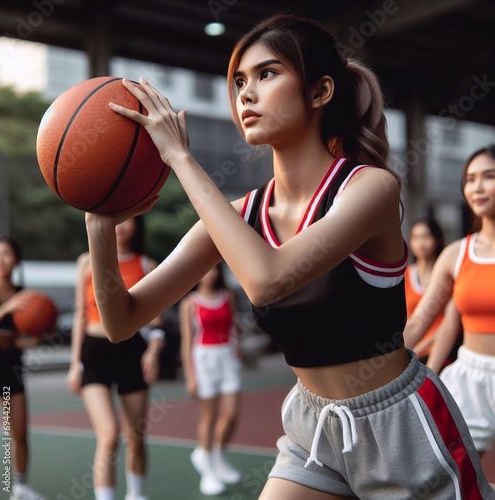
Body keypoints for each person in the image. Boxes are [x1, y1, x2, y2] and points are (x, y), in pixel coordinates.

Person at [84, 14, 494, 498]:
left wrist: (179, 158)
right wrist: (100, 224)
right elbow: (121, 320)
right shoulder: (242, 214)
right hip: (312, 426)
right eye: (238, 80)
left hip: (399, 426)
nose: (245, 93)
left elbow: (268, 279)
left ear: (320, 92)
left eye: (267, 74)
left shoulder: (371, 188)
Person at [405, 144, 495, 462]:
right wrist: (370, 363)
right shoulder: (457, 254)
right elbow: (420, 321)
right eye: (470, 179)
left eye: (488, 177)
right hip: (471, 379)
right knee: (453, 475)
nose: (478, 186)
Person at [66, 216, 165, 500]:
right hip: (93, 350)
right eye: (117, 219)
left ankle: (136, 495)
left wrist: (153, 352)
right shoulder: (86, 261)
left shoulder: (146, 265)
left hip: (131, 350)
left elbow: (157, 323)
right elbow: (80, 314)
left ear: (137, 225)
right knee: (108, 435)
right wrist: (75, 364)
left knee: (136, 437)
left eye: (129, 220)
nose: (122, 225)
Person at [179, 263, 242, 495]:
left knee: (232, 414)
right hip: (204, 359)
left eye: (215, 269)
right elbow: (187, 341)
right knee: (209, 417)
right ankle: (207, 470)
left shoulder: (228, 296)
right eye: (206, 270)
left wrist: (237, 347)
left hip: (227, 357)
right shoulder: (190, 303)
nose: (211, 274)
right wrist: (190, 375)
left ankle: (216, 457)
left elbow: (234, 326)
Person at [0, 236, 46, 500]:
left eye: (6, 253)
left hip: (9, 367)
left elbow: (21, 339)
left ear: (17, 260)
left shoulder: (24, 297)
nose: (0, 259)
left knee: (20, 431)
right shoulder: (12, 301)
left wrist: (34, 339)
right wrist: (6, 308)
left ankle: (20, 487)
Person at [405, 216, 453, 363]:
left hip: (439, 352)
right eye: (416, 237)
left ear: (437, 239)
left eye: (426, 236)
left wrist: (420, 349)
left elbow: (449, 323)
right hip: (408, 349)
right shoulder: (404, 275)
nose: (421, 243)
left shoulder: (447, 276)